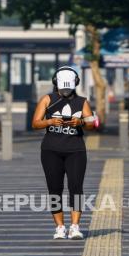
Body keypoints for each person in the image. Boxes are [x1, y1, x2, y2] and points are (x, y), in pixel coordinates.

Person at [32, 66, 95, 240]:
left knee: (76, 187)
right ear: (56, 84)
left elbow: (92, 123)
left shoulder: (82, 102)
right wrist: (50, 121)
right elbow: (35, 123)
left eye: (68, 88)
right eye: (62, 88)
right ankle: (60, 227)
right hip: (51, 150)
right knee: (54, 189)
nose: (65, 91)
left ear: (75, 84)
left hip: (76, 150)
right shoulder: (47, 99)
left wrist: (80, 121)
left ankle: (75, 226)